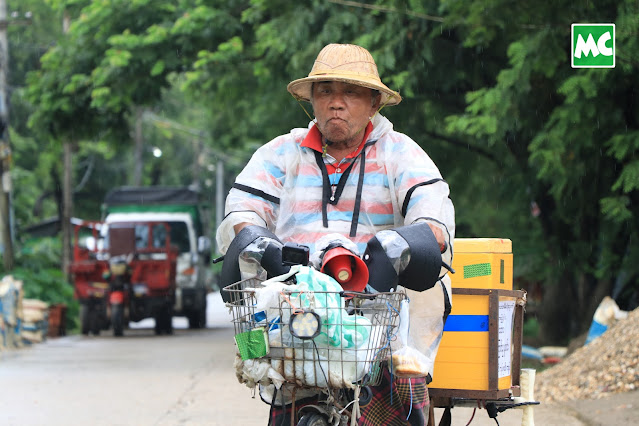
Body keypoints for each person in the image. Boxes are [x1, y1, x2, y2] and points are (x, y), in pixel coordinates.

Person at [217, 43, 455, 426]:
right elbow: (242, 209)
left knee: (407, 352)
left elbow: (433, 215)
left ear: (374, 103)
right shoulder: (282, 152)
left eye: (351, 92)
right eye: (325, 91)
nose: (336, 103)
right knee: (277, 368)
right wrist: (260, 242)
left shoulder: (400, 153)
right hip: (299, 295)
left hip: (381, 298)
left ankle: (408, 391)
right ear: (312, 100)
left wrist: (398, 247)